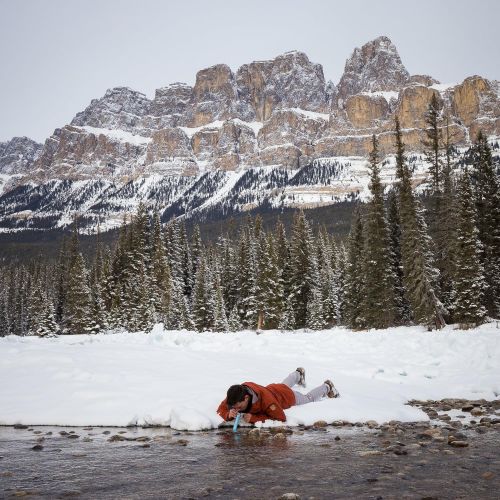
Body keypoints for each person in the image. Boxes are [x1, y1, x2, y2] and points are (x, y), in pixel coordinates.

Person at [217, 368, 339, 424]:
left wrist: (254, 418)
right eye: (233, 407)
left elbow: (281, 417)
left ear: (246, 398)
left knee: (308, 398)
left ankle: (327, 386)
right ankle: (298, 373)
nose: (236, 409)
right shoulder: (235, 394)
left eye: (238, 407)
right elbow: (221, 408)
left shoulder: (268, 402)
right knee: (283, 385)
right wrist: (228, 414)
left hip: (287, 397)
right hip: (273, 388)